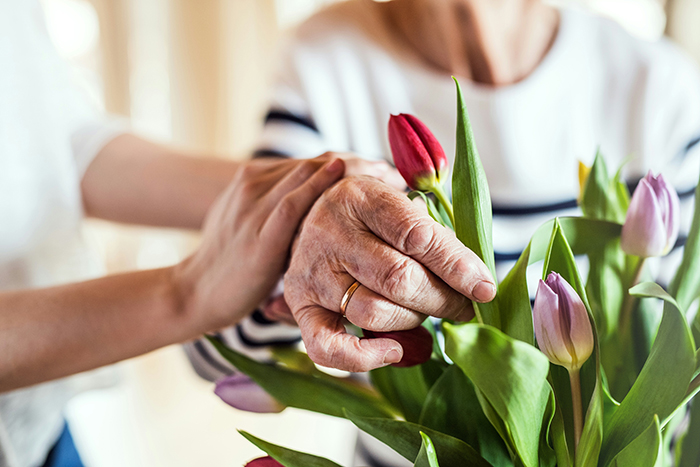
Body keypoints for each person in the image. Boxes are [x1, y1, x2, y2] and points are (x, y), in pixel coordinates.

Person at [190, 0, 700, 465]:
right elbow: (215, 340)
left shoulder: (655, 84)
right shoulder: (326, 62)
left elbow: (680, 354)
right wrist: (307, 279)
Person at [0, 2, 427, 466]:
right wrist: (184, 293)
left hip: (38, 428)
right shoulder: (325, 52)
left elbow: (47, 144)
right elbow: (218, 345)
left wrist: (300, 193)